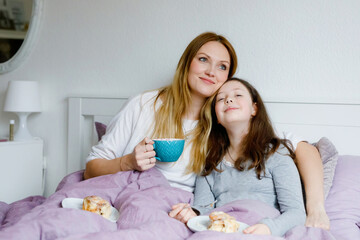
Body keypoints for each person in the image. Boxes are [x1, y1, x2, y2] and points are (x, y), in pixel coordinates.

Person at [84, 32, 329, 229]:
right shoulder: (144, 105)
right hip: (127, 193)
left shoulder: (227, 124)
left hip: (173, 210)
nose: (212, 71)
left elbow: (303, 150)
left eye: (222, 67)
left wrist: (316, 206)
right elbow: (91, 169)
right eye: (203, 59)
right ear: (186, 62)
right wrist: (127, 162)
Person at [169, 78, 306, 236]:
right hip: (222, 230)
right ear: (217, 118)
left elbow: (296, 213)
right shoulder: (210, 163)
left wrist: (269, 228)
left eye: (238, 95)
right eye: (221, 98)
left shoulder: (276, 153)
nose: (229, 99)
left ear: (254, 109)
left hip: (259, 229)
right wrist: (191, 213)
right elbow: (204, 210)